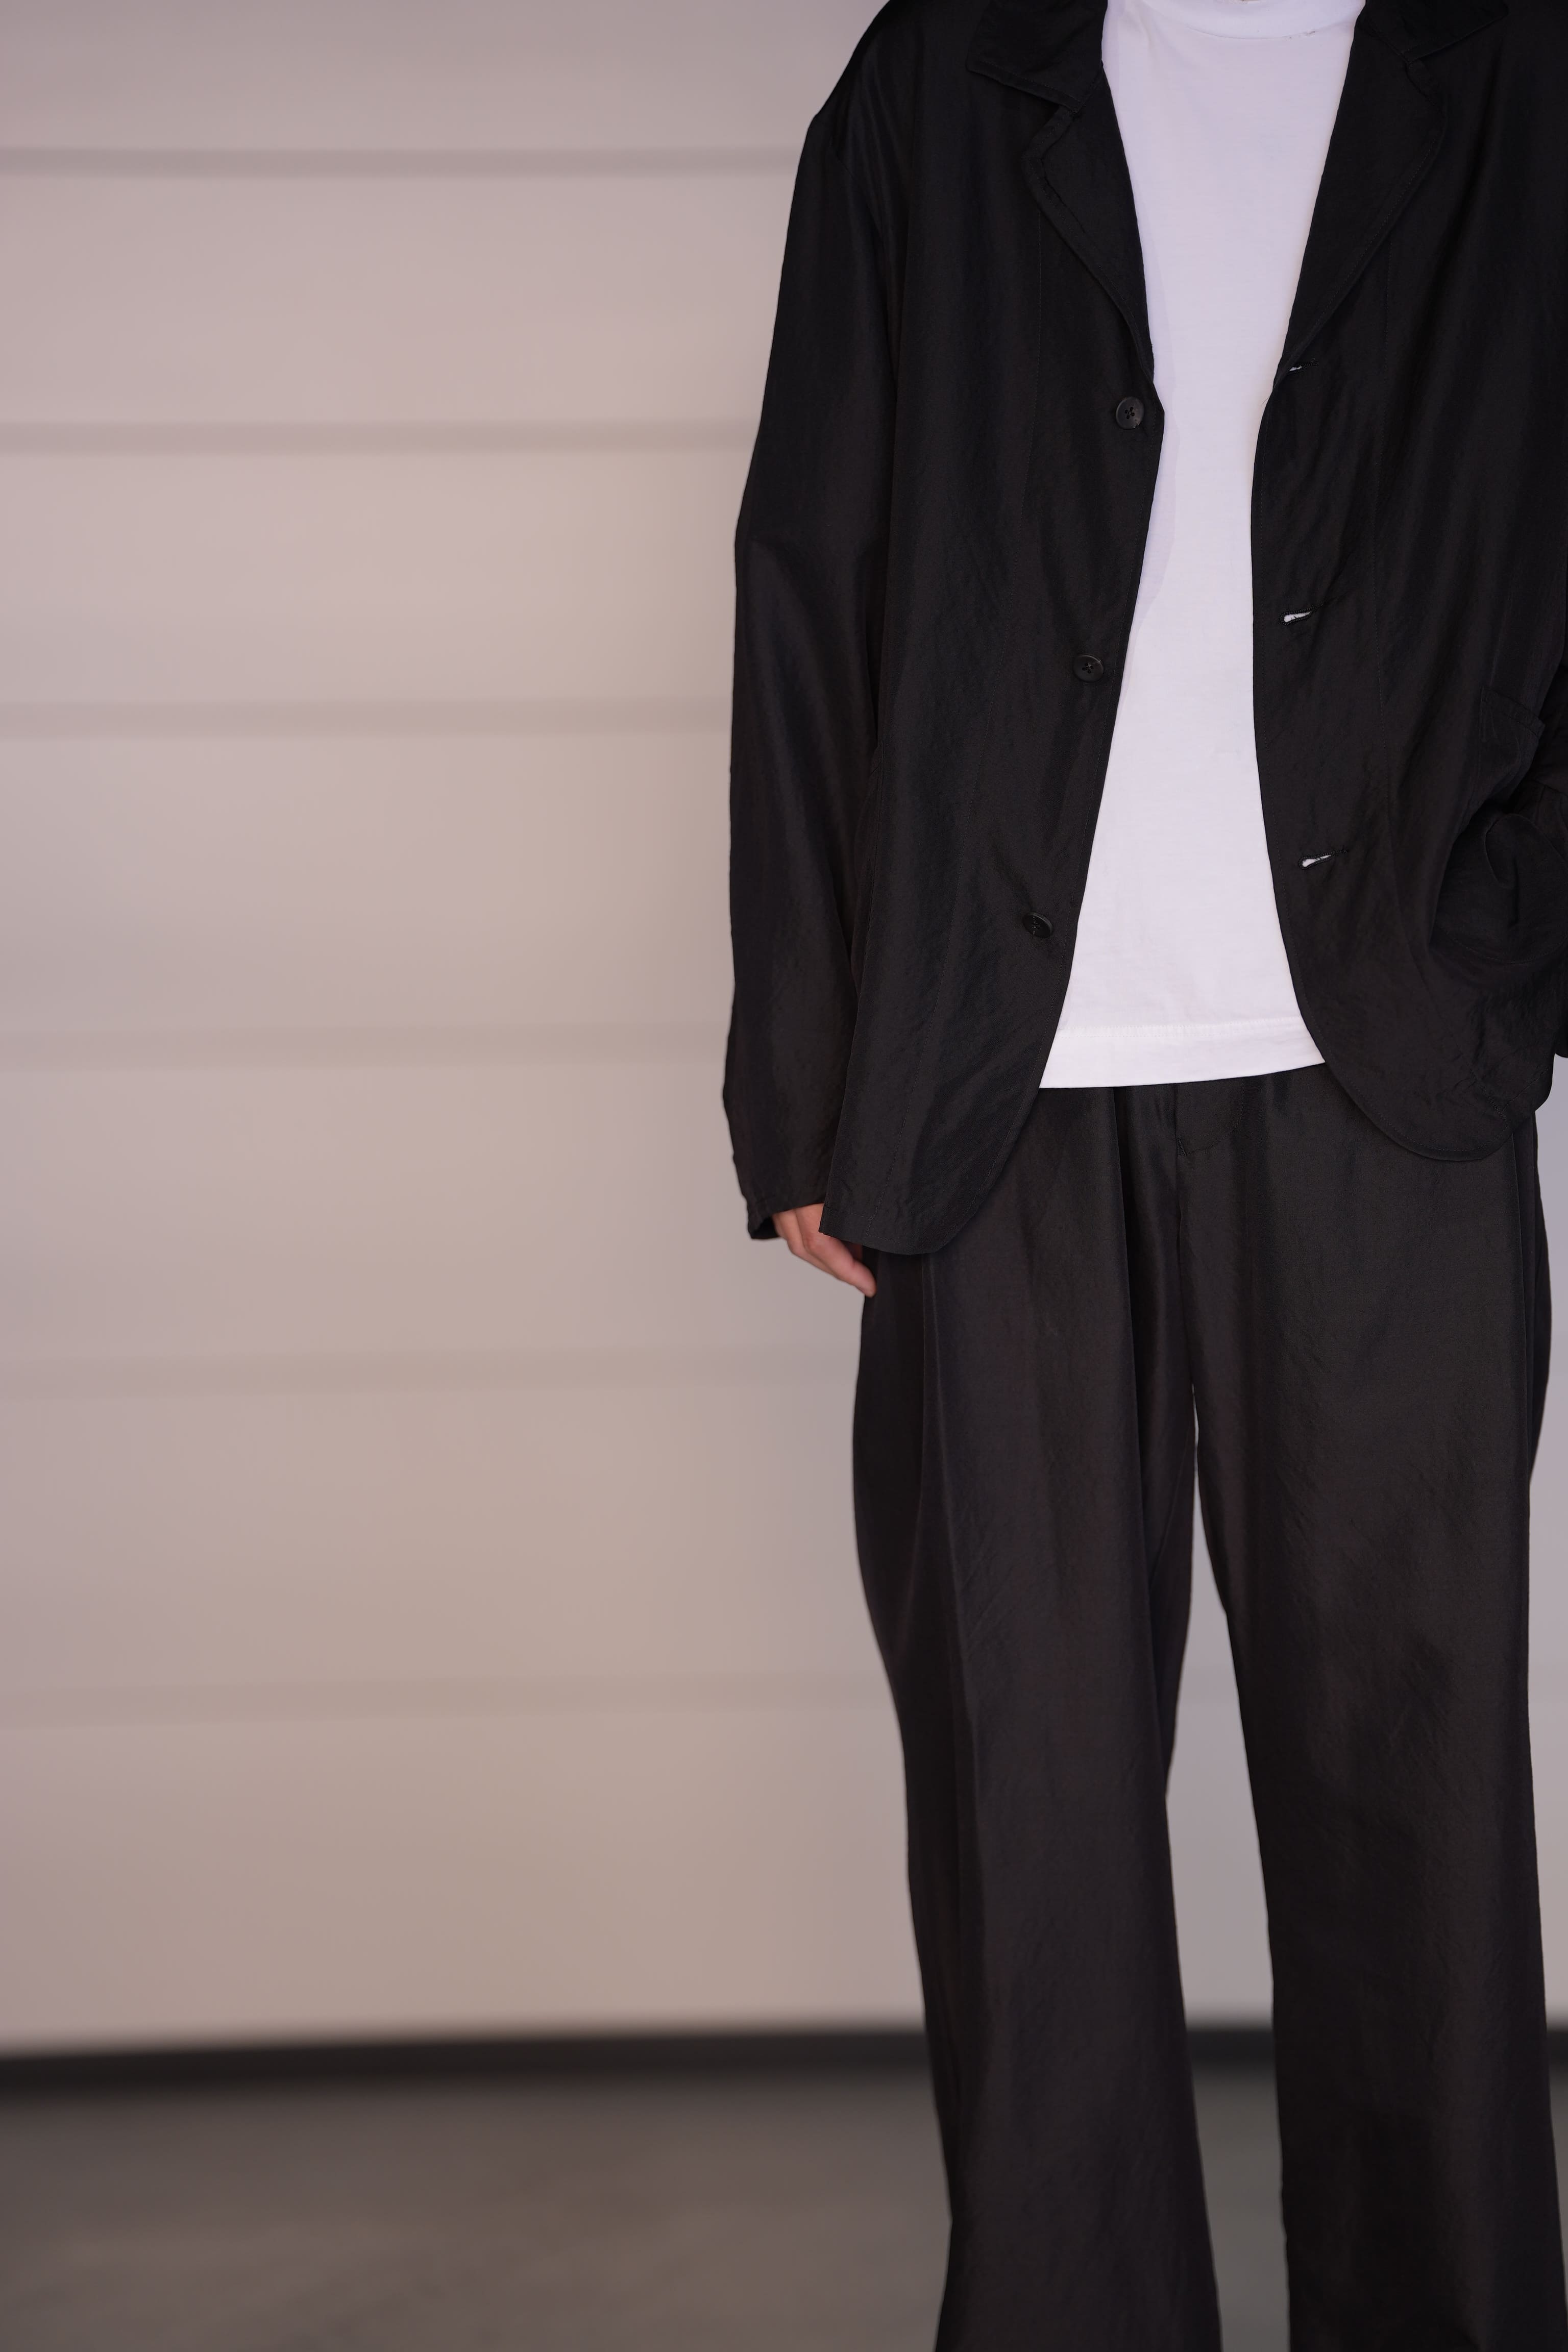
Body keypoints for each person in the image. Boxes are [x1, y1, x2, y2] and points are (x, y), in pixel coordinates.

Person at [725, 0, 1568, 2338]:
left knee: (1420, 1842)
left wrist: (1513, 944)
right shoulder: (942, 81)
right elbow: (810, 558)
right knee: (1037, 1858)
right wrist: (805, 1072)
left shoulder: (1515, 81)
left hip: (1386, 1086)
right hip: (993, 1098)